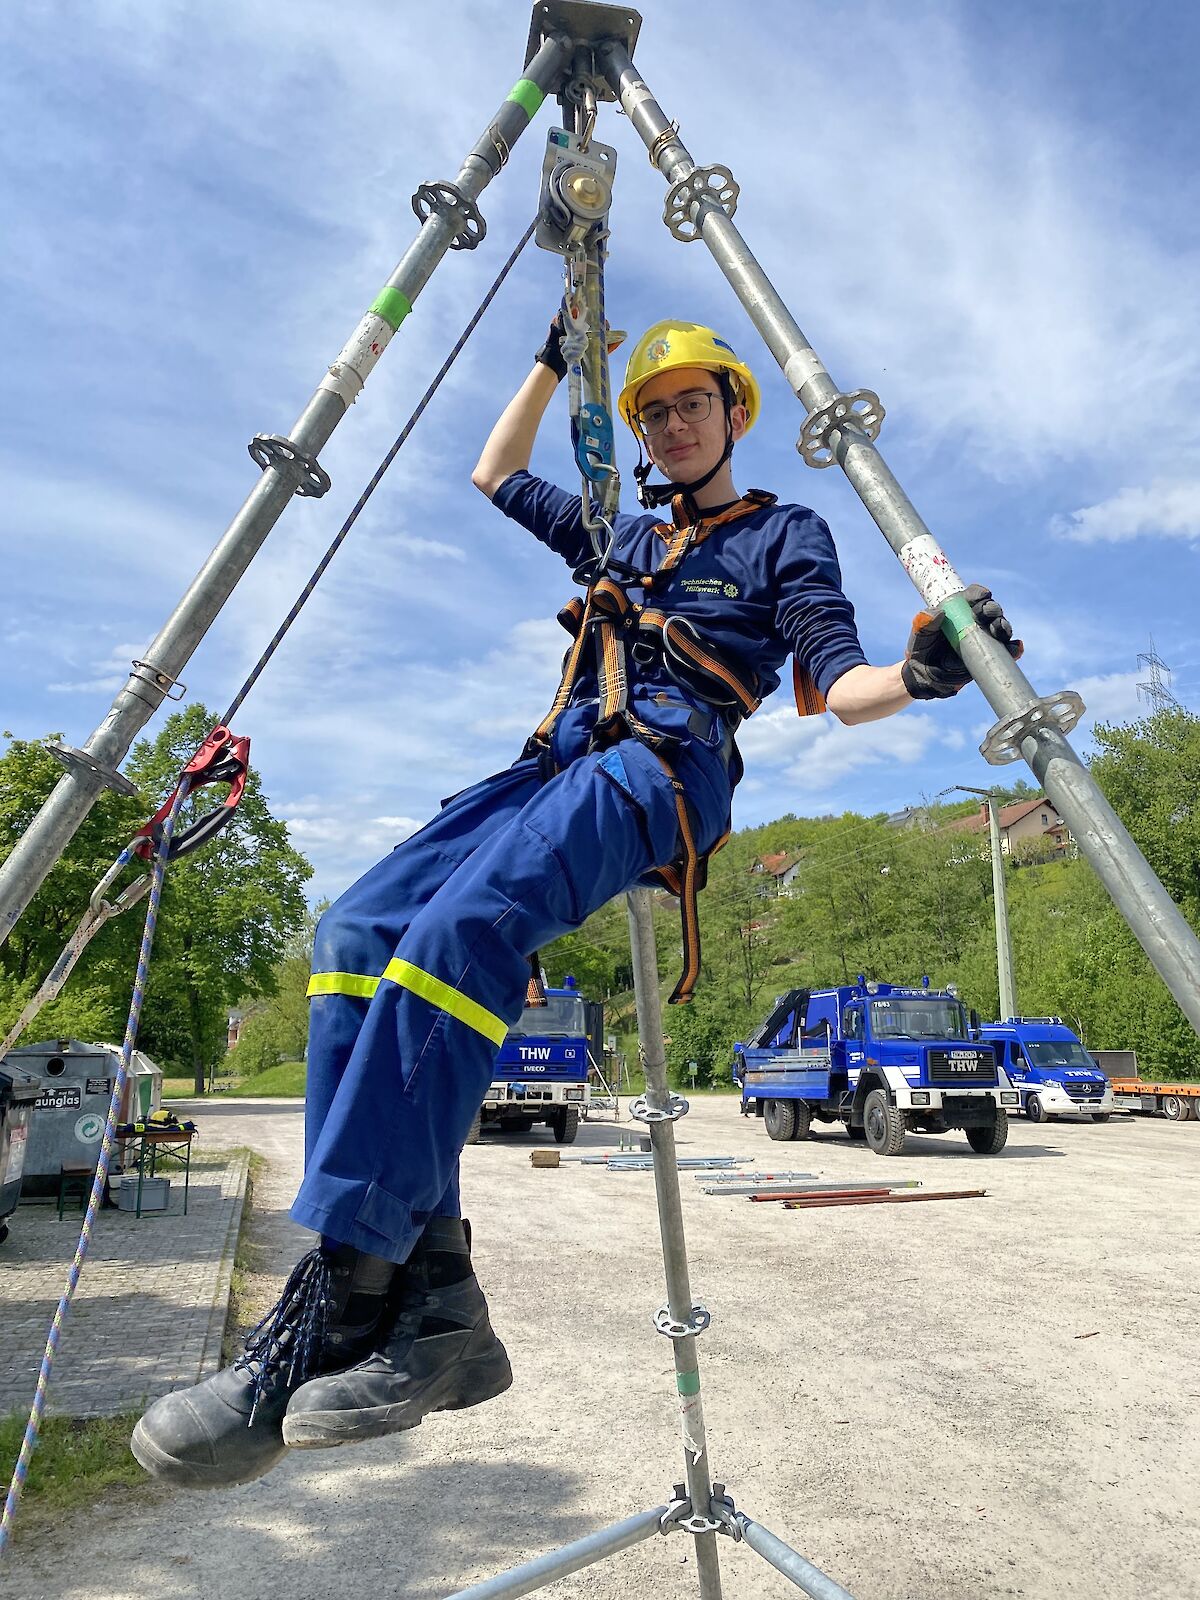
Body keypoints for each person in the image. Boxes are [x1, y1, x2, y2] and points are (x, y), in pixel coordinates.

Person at [131, 316, 1019, 1489]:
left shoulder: (779, 535)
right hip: (551, 762)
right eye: (652, 411)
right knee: (355, 933)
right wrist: (554, 358)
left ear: (732, 410)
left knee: (461, 936)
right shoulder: (627, 535)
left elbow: (834, 679)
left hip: (659, 765)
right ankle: (434, 1290)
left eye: (690, 401)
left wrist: (917, 675)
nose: (670, 421)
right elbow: (493, 472)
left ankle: (340, 1300)